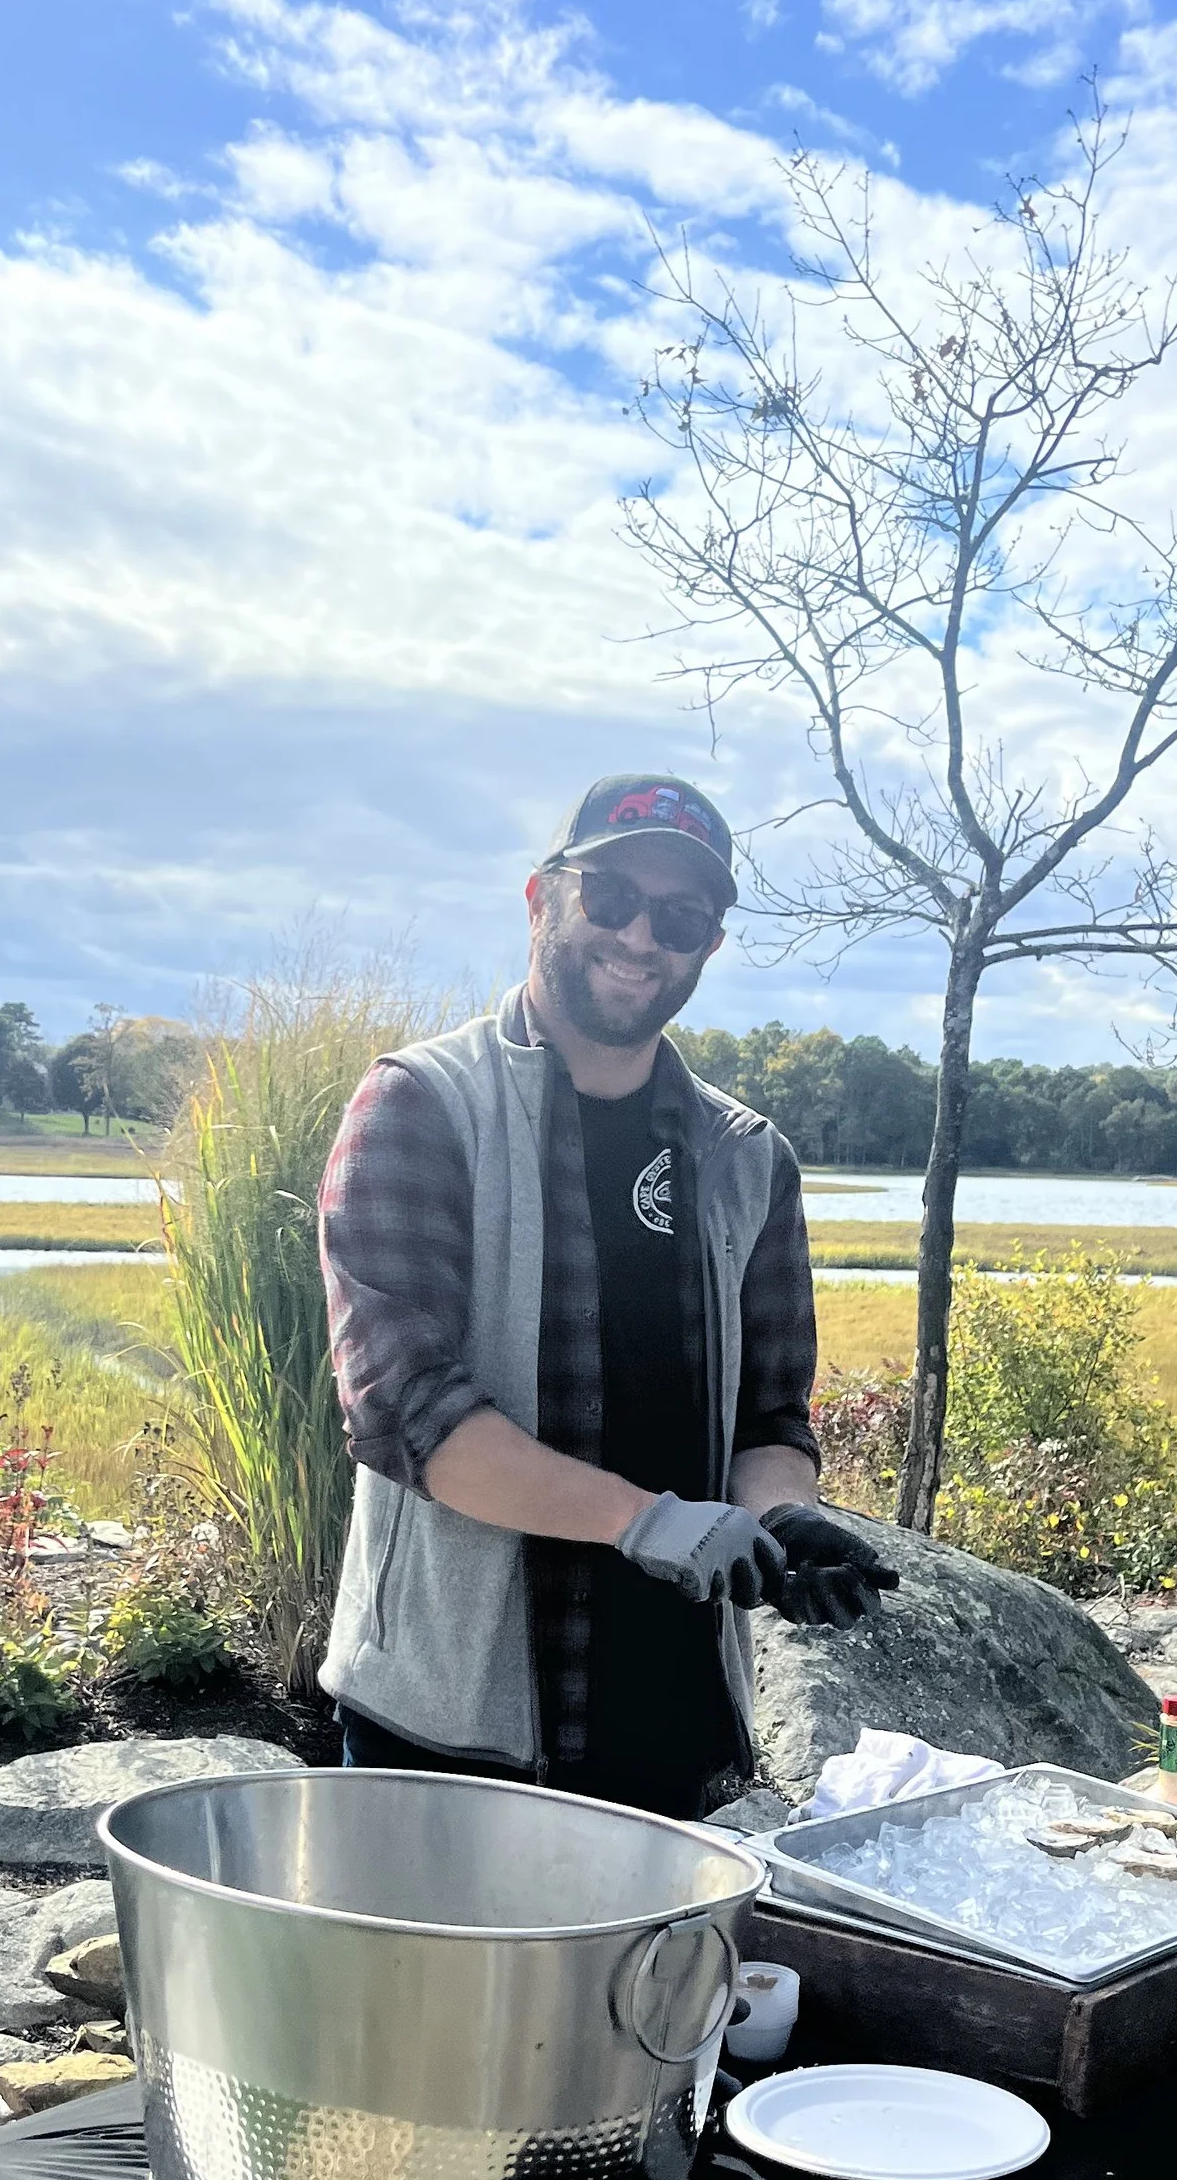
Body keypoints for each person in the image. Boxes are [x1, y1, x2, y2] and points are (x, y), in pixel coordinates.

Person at [317, 772, 897, 1821]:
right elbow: (409, 1415)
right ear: (542, 900)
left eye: (679, 917)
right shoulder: (418, 1107)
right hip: (452, 1725)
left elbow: (768, 1416)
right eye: (612, 897)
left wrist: (781, 1521)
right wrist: (650, 1523)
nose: (641, 937)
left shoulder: (747, 1157)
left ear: (708, 946)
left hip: (675, 1713)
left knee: (652, 1993)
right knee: (433, 1995)